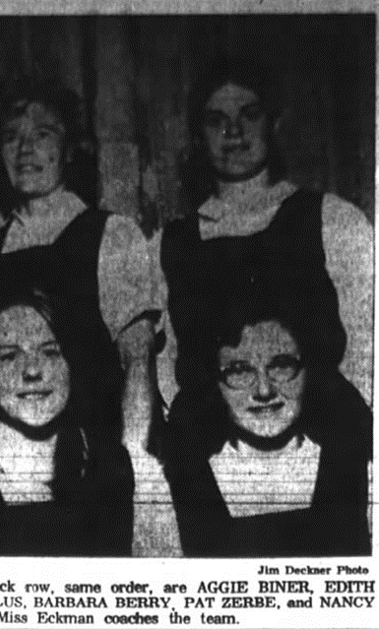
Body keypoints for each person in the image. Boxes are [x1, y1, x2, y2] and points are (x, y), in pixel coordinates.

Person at [160, 56, 373, 421]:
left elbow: (366, 347)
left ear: (273, 123)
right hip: (212, 458)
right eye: (216, 121)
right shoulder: (171, 243)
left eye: (250, 115)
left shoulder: (333, 220)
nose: (233, 132)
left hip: (323, 447)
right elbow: (167, 367)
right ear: (198, 136)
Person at [0, 75, 159, 453]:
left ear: (69, 148)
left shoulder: (113, 235)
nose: (25, 150)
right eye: (11, 137)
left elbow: (137, 366)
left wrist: (131, 467)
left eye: (42, 135)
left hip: (96, 462)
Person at [162, 296, 371, 556]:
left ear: (309, 368)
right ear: (214, 380)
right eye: (239, 370)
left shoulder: (357, 462)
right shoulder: (182, 477)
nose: (264, 390)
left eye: (281, 366)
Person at [0, 290, 134, 556]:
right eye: (10, 356)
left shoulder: (108, 465)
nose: (32, 371)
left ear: (72, 364)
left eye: (50, 352)